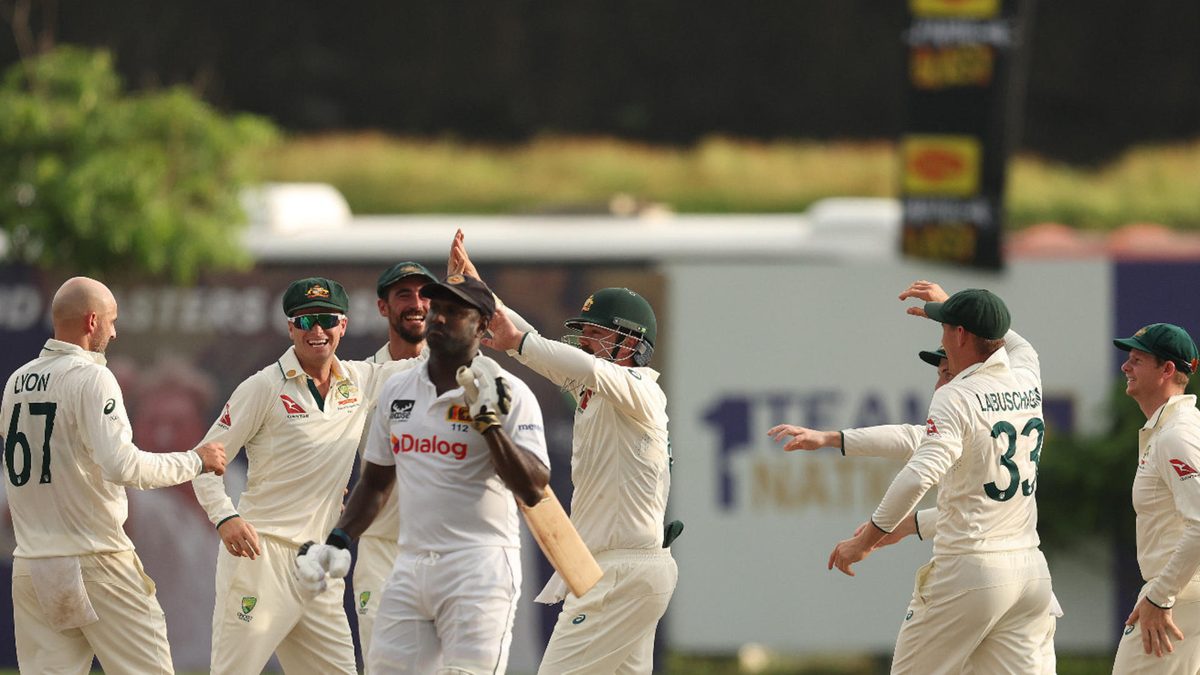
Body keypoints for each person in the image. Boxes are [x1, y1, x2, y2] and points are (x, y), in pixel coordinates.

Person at [770, 327, 1062, 674]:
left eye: (945, 373)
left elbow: (918, 474)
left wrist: (868, 540)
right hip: (1028, 574)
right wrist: (833, 438)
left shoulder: (960, 398)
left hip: (969, 570)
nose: (939, 385)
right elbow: (914, 436)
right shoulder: (1018, 386)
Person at [297, 273, 550, 673]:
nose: (439, 319)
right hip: (409, 566)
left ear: (483, 326)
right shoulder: (398, 389)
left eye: (454, 312)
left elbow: (534, 487)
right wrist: (339, 540)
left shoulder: (508, 392)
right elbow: (376, 482)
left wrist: (489, 424)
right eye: (436, 309)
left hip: (478, 567)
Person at [450, 231, 678, 674]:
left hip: (621, 573)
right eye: (585, 333)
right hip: (613, 570)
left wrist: (518, 342)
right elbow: (544, 350)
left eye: (596, 333)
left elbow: (559, 356)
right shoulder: (598, 395)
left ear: (630, 343)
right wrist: (482, 295)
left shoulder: (641, 390)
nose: (586, 342)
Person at [191, 276, 418, 674]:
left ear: (343, 325)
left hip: (318, 564)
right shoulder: (263, 386)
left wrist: (464, 290)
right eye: (306, 320)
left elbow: (431, 363)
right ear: (291, 327)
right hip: (262, 556)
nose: (317, 330)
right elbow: (206, 461)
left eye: (327, 319)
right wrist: (224, 517)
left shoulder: (361, 380)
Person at [3, 276, 226, 674]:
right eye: (111, 320)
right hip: (96, 559)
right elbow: (122, 466)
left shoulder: (17, 382)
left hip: (34, 564)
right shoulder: (93, 376)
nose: (115, 330)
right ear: (92, 322)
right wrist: (196, 461)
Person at [355, 260, 436, 663]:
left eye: (424, 294)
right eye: (404, 294)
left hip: (443, 549)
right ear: (383, 307)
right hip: (381, 547)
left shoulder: (460, 374)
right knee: (383, 663)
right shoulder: (361, 378)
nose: (416, 303)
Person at [1111, 323, 1200, 672]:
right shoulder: (1176, 428)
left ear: (1167, 370)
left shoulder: (1176, 436)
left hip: (1179, 597)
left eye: (1136, 359)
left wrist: (1160, 596)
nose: (1125, 366)